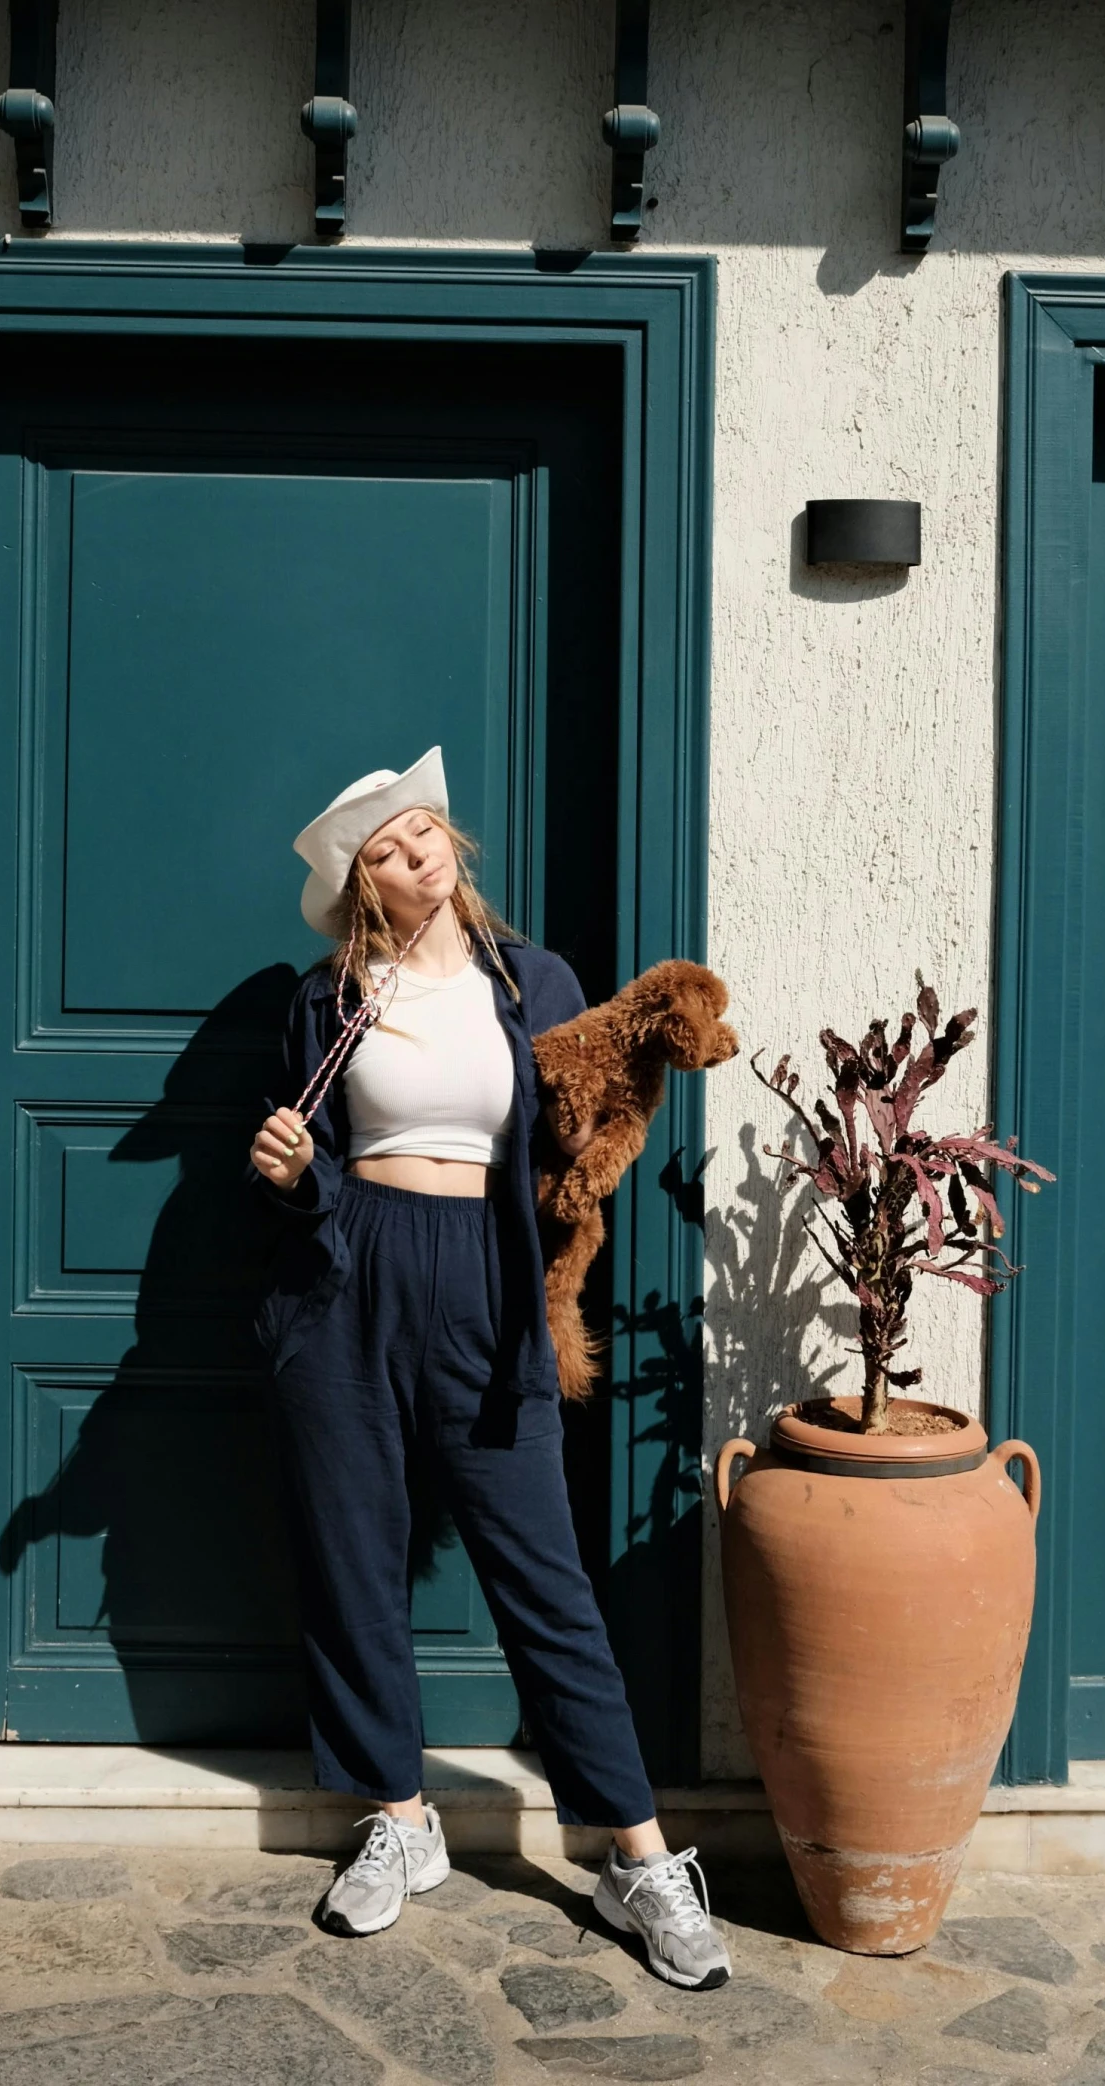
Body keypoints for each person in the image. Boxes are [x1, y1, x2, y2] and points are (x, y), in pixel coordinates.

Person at [250, 747, 730, 1990]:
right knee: (353, 1554)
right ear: (361, 883)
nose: (414, 860)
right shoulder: (328, 995)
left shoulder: (534, 981)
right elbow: (308, 1154)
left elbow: (591, 1124)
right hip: (351, 1271)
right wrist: (298, 1179)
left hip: (488, 1275)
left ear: (453, 846)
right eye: (386, 852)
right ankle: (398, 1819)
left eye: (424, 837)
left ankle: (634, 1854)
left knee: (545, 1578)